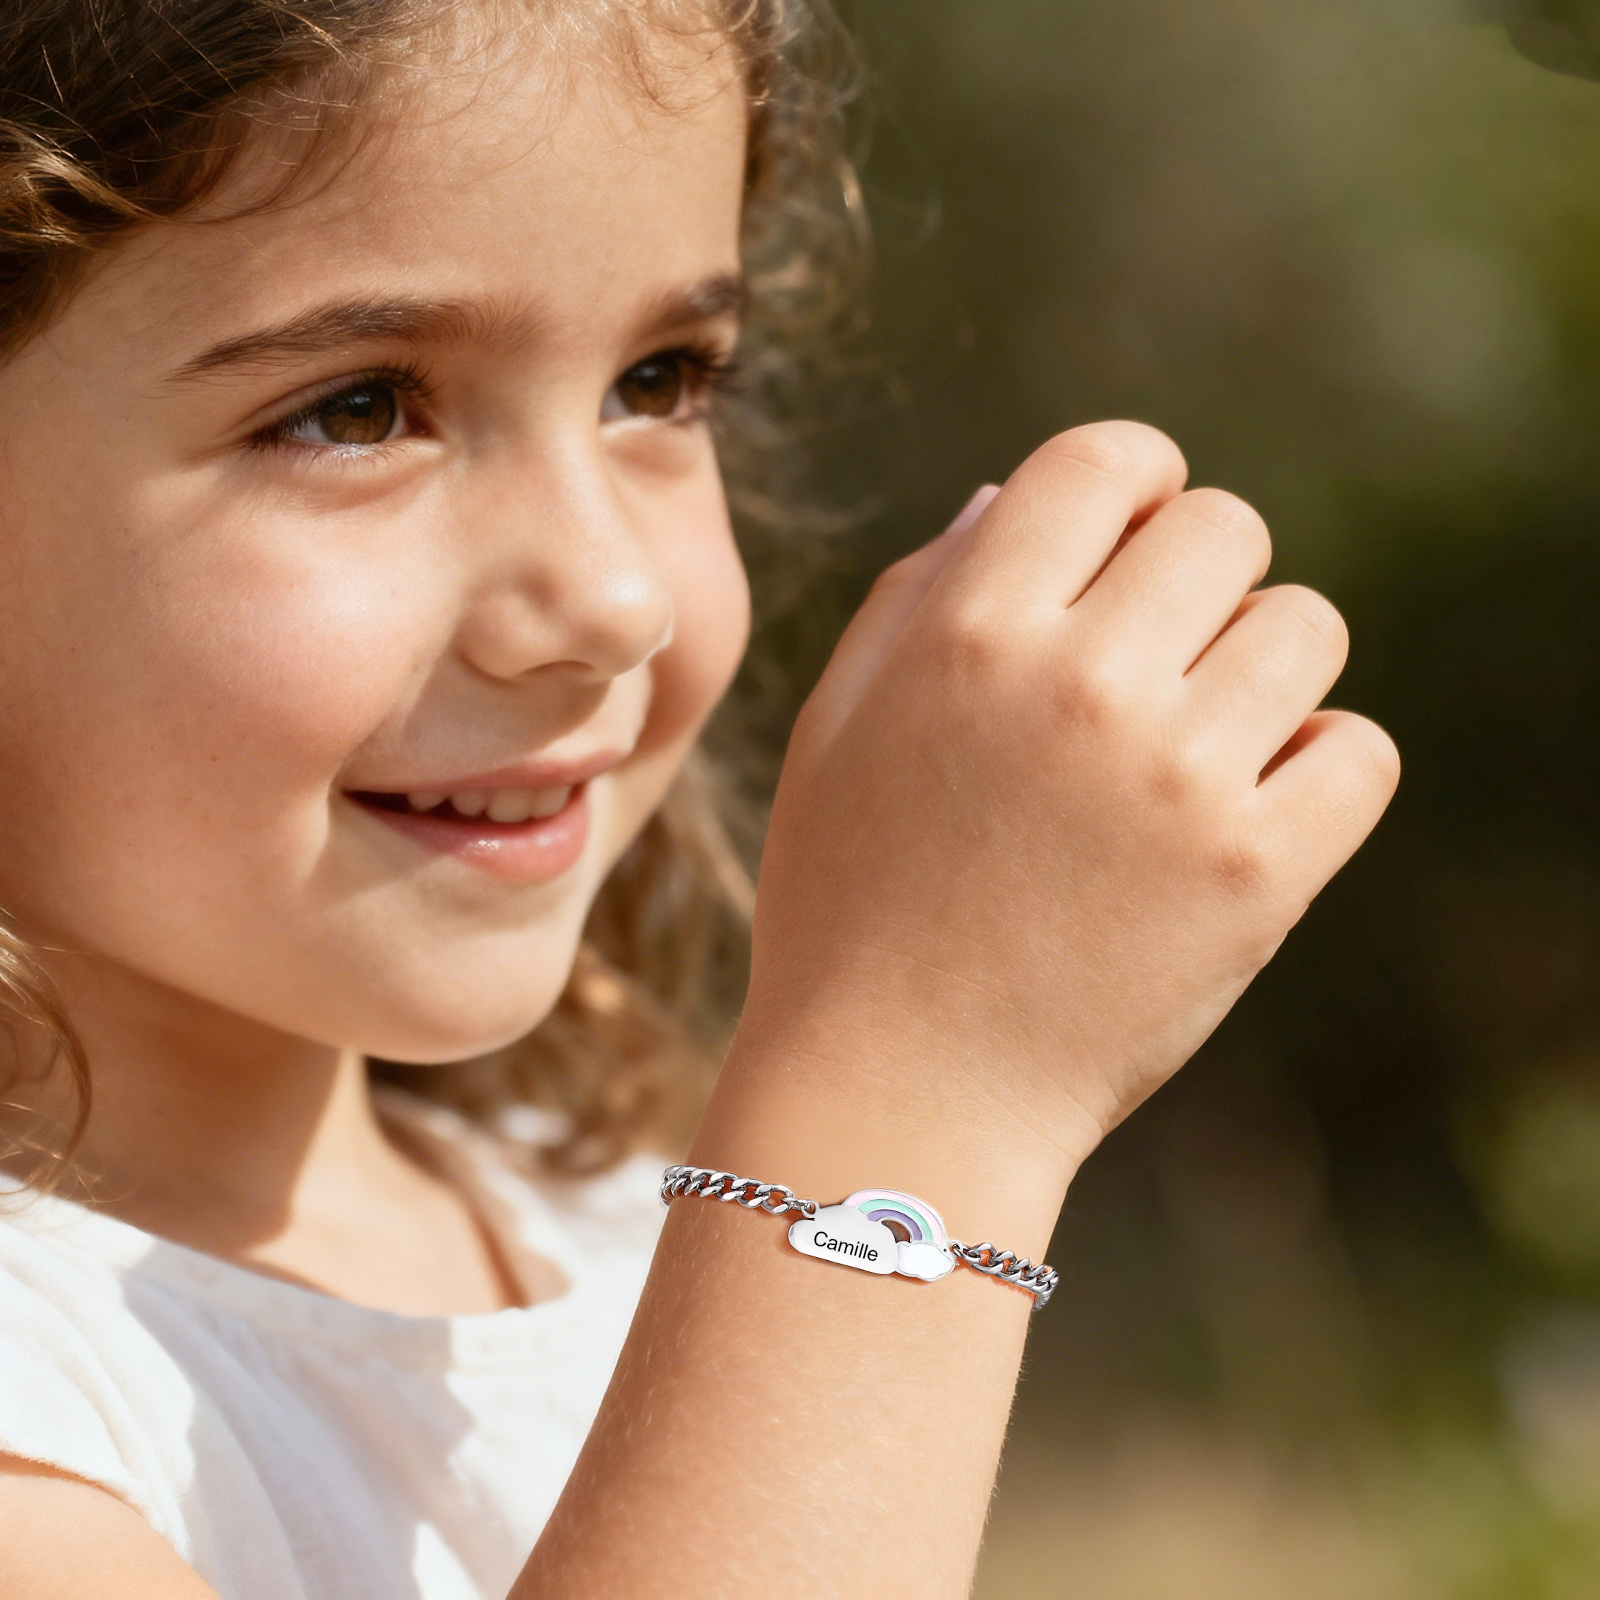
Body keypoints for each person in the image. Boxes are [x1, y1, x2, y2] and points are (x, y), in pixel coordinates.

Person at [0, 2, 1400, 1595]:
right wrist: (920, 1088)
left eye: (659, 383)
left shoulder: (602, 1230)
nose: (612, 597)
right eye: (359, 408)